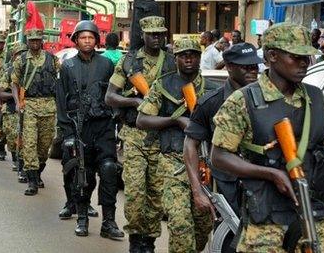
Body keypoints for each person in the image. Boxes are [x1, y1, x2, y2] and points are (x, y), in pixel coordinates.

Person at [211, 22, 324, 252]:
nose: (304, 63)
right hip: (267, 222)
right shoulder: (244, 101)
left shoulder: (315, 98)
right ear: (271, 56)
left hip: (316, 214)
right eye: (295, 56)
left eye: (306, 57)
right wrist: (270, 173)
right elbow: (219, 156)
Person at [136, 38, 218, 253]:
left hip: (204, 163)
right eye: (183, 55)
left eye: (193, 54)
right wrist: (175, 121)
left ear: (200, 57)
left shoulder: (212, 88)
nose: (189, 59)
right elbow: (142, 120)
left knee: (203, 225)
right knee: (180, 223)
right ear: (176, 59)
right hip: (172, 161)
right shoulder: (163, 84)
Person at [104, 16, 176, 252]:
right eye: (152, 34)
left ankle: (148, 242)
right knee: (135, 195)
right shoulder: (129, 61)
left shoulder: (172, 63)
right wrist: (133, 101)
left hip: (162, 138)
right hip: (134, 136)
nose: (156, 37)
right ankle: (136, 238)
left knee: (156, 197)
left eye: (160, 33)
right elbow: (110, 96)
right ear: (142, 34)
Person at [183, 43, 261, 232]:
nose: (252, 70)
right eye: (246, 66)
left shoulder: (268, 99)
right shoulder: (211, 102)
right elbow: (190, 145)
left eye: (255, 66)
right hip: (225, 186)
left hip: (261, 182)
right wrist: (197, 191)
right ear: (229, 66)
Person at [56, 20, 124, 239]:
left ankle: (109, 222)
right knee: (81, 174)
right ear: (76, 40)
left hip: (103, 126)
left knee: (109, 170)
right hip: (78, 128)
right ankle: (83, 218)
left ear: (96, 40)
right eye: (83, 37)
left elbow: (115, 95)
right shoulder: (67, 67)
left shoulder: (106, 65)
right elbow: (61, 101)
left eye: (91, 37)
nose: (87, 41)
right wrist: (66, 133)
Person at [11, 29, 60, 196]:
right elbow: (14, 82)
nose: (34, 43)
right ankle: (32, 181)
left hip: (49, 106)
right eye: (31, 40)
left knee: (44, 145)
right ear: (28, 41)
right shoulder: (21, 60)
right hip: (29, 105)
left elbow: (62, 78)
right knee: (30, 143)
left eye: (37, 40)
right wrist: (18, 102)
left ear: (41, 41)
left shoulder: (52, 59)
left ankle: (38, 173)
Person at [0, 42, 28, 174]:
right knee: (12, 136)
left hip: (30, 109)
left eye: (24, 54)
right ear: (14, 56)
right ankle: (16, 158)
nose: (21, 57)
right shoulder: (9, 71)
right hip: (11, 108)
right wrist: (15, 96)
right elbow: (1, 93)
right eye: (18, 54)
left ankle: (24, 163)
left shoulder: (32, 70)